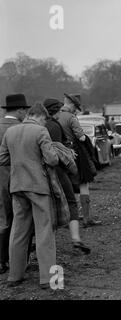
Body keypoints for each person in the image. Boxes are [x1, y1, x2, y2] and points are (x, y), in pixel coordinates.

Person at [0, 103, 59, 289]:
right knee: (44, 232)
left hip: (17, 186)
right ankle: (48, 279)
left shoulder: (11, 132)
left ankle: (14, 276)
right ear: (39, 116)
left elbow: (2, 159)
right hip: (38, 186)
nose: (44, 123)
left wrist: (20, 161)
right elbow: (52, 159)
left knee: (18, 231)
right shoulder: (41, 132)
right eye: (44, 120)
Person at [43, 98, 90, 254]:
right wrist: (69, 154)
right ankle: (76, 240)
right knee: (71, 201)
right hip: (57, 170)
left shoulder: (40, 125)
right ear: (56, 111)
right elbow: (57, 151)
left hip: (41, 172)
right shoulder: (55, 125)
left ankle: (47, 244)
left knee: (48, 206)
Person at [55, 93, 101, 228]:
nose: (76, 109)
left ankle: (68, 217)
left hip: (59, 155)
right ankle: (87, 218)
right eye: (76, 107)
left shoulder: (55, 117)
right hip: (75, 155)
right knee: (84, 184)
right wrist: (86, 140)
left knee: (65, 187)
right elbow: (80, 137)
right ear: (71, 105)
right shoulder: (71, 117)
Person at [0, 94, 30, 274]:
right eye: (25, 110)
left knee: (2, 217)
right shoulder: (22, 128)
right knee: (22, 217)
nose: (25, 113)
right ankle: (17, 261)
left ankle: (1, 261)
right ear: (19, 110)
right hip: (18, 176)